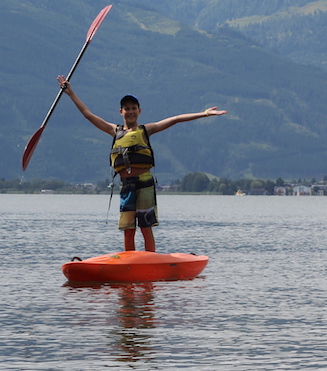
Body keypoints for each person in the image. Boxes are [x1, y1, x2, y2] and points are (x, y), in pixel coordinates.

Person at [57, 76, 226, 253]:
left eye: (133, 108)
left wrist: (205, 113)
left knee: (146, 227)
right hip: (126, 186)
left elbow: (175, 119)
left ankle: (149, 259)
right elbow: (88, 115)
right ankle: (130, 261)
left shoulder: (146, 129)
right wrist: (71, 93)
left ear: (139, 110)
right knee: (128, 229)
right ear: (120, 111)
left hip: (144, 183)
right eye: (127, 109)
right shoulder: (114, 131)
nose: (130, 112)